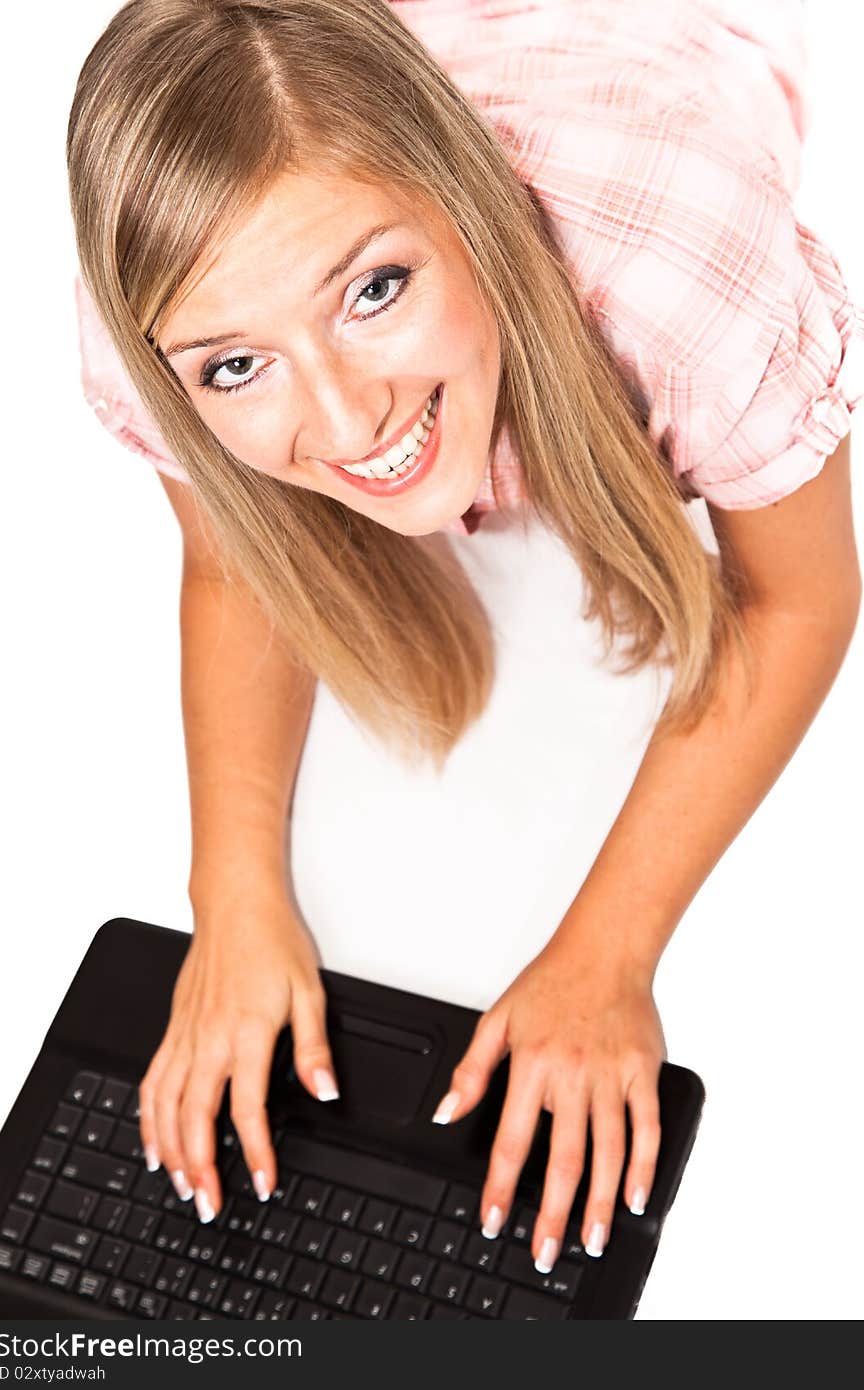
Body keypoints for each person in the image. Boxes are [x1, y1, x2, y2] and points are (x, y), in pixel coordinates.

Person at [66, 0, 862, 1276]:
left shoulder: (675, 275)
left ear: (465, 196)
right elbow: (232, 557)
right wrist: (230, 900)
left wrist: (606, 957)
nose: (344, 417)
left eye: (373, 290)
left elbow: (796, 597)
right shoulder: (148, 331)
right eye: (236, 369)